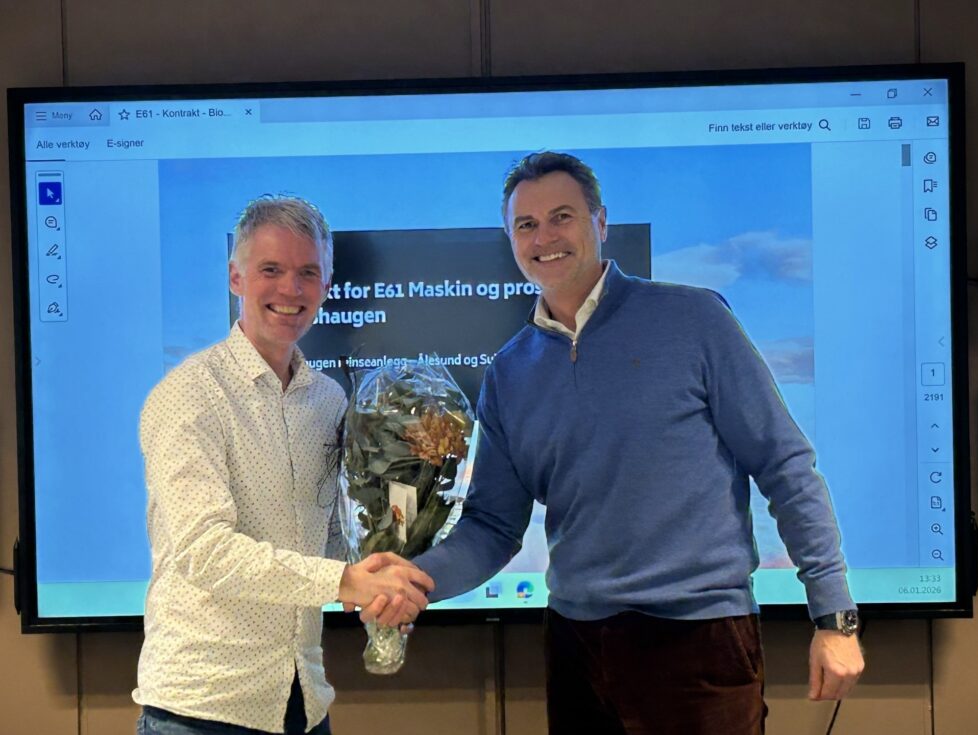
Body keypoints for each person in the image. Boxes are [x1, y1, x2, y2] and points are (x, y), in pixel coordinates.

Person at [405, 152, 864, 734]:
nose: (544, 238)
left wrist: (834, 615)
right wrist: (413, 580)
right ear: (511, 240)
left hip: (699, 641)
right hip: (575, 647)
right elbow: (493, 527)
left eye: (562, 217)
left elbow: (785, 466)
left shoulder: (694, 319)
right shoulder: (510, 372)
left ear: (600, 222)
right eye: (526, 225)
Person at [133, 195, 433, 735]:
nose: (291, 289)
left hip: (303, 701)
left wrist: (383, 576)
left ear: (327, 284)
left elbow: (331, 538)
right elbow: (205, 551)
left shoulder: (329, 401)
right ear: (236, 277)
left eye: (307, 273)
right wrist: (346, 581)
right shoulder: (189, 396)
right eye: (270, 270)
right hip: (202, 709)